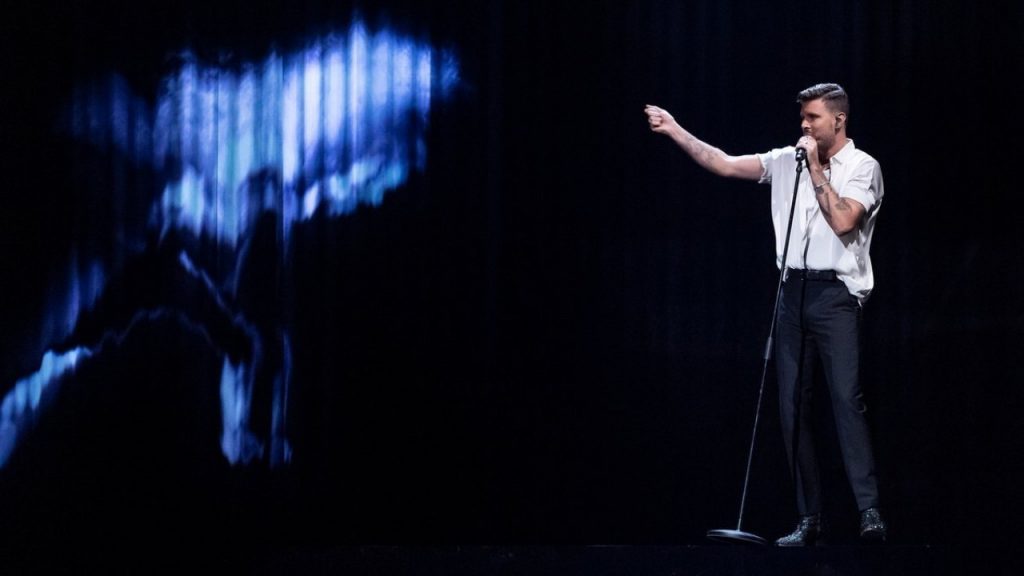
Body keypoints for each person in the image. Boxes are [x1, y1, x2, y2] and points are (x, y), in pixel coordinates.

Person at [644, 83, 887, 545]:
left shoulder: (863, 167)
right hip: (790, 290)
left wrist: (815, 167)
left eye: (813, 117)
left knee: (845, 402)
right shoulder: (784, 161)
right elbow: (722, 161)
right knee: (791, 407)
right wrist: (675, 130)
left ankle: (869, 511)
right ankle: (809, 517)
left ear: (838, 120)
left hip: (835, 296)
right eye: (802, 117)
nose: (804, 125)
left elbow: (843, 221)